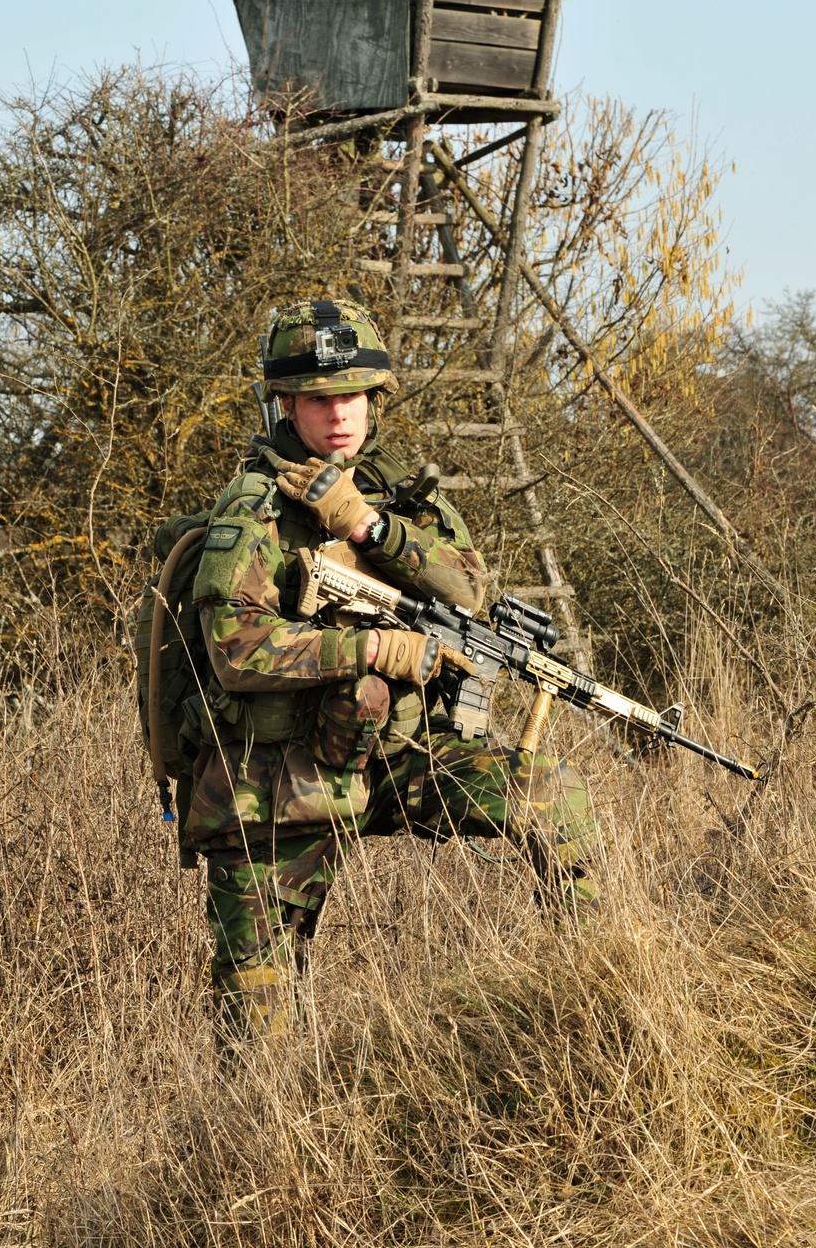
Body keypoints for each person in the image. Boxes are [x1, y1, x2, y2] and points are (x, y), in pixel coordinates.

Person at [186, 298, 599, 1036]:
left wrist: (371, 526)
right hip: (281, 776)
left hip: (401, 751)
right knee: (259, 1029)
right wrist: (371, 649)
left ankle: (592, 1007)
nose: (338, 414)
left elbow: (471, 588)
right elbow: (235, 648)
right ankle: (258, 1147)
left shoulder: (401, 494)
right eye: (318, 398)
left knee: (551, 793)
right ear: (286, 402)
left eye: (351, 395)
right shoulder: (252, 508)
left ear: (374, 399)